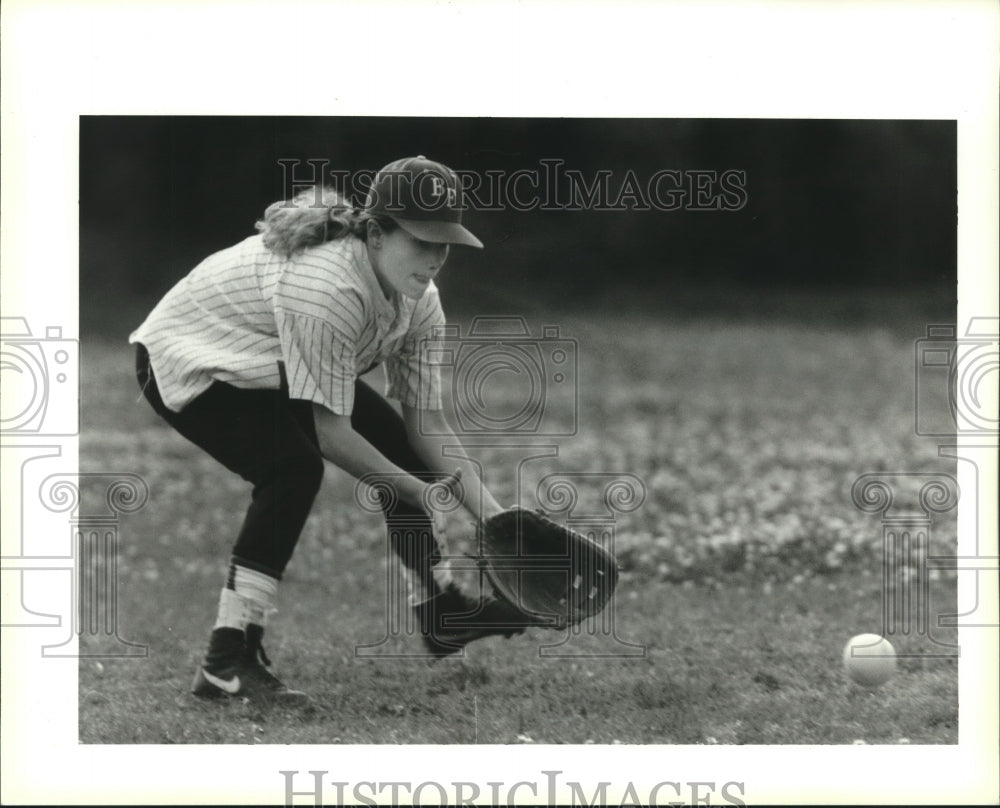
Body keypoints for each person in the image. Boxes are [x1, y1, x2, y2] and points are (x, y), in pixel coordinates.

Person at [131, 156, 528, 702]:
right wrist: (419, 491)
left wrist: (497, 520)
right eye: (420, 240)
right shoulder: (328, 287)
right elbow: (332, 435)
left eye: (444, 244)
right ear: (375, 232)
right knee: (291, 470)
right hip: (189, 356)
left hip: (271, 361)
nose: (435, 258)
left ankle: (444, 615)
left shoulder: (420, 301)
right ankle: (227, 661)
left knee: (399, 448)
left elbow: (426, 423)